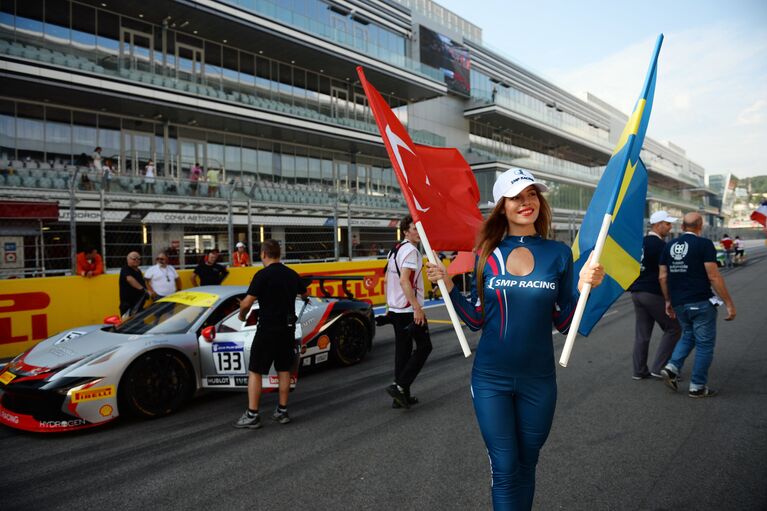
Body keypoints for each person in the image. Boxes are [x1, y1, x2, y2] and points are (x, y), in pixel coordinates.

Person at [425, 168, 604, 510]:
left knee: (527, 463)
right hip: (491, 377)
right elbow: (477, 319)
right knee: (505, 467)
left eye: (532, 194)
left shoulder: (559, 254)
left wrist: (585, 288)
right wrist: (448, 288)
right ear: (501, 206)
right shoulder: (487, 254)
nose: (527, 202)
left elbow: (565, 322)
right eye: (517, 197)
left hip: (539, 380)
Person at [659, 212, 736, 398]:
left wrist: (668, 300)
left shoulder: (668, 246)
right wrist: (728, 303)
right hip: (700, 301)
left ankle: (672, 366)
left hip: (679, 303)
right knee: (704, 345)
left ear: (683, 226)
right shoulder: (704, 244)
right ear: (700, 225)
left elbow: (662, 276)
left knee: (688, 335)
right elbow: (713, 275)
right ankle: (697, 386)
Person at [234, 239, 308, 429]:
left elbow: (246, 303)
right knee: (284, 369)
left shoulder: (262, 275)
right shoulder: (291, 274)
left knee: (256, 371)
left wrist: (242, 316)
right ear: (279, 254)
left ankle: (252, 414)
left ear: (263, 254)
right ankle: (282, 411)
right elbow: (305, 294)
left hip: (267, 329)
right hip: (287, 329)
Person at [384, 214, 433, 409]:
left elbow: (388, 280)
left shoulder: (395, 249)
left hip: (396, 308)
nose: (418, 232)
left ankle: (400, 396)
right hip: (407, 308)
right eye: (415, 228)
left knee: (402, 351)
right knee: (424, 346)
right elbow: (404, 280)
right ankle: (400, 386)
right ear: (406, 231)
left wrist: (389, 307)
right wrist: (417, 308)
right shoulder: (411, 252)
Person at [628, 211, 681, 380]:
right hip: (652, 292)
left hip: (636, 291)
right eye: (667, 224)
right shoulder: (660, 246)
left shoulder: (640, 243)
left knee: (642, 334)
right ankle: (659, 367)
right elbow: (665, 274)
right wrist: (669, 299)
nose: (670, 227)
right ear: (658, 225)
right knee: (674, 328)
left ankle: (639, 370)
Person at [119, 251, 147, 317]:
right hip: (129, 306)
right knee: (130, 325)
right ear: (128, 259)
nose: (137, 260)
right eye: (134, 259)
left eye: (139, 259)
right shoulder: (125, 269)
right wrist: (143, 290)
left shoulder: (138, 271)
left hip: (138, 305)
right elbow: (130, 279)